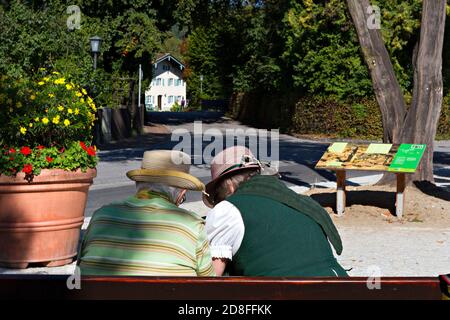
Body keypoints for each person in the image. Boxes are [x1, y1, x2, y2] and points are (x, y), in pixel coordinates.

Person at [203, 146, 348, 277]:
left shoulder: (228, 209)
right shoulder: (304, 203)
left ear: (228, 186)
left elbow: (210, 277)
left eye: (217, 195)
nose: (218, 201)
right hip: (339, 288)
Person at [78, 150, 215, 277]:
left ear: (138, 182)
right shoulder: (192, 226)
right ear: (181, 193)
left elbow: (79, 273)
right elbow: (209, 286)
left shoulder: (100, 217)